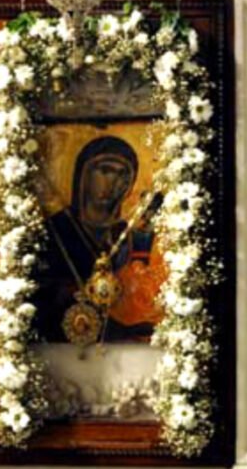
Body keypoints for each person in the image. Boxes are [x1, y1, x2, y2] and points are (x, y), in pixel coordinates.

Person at [36, 136, 165, 343]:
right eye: (105, 171)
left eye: (122, 174)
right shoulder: (56, 229)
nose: (113, 183)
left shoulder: (128, 234)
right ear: (83, 175)